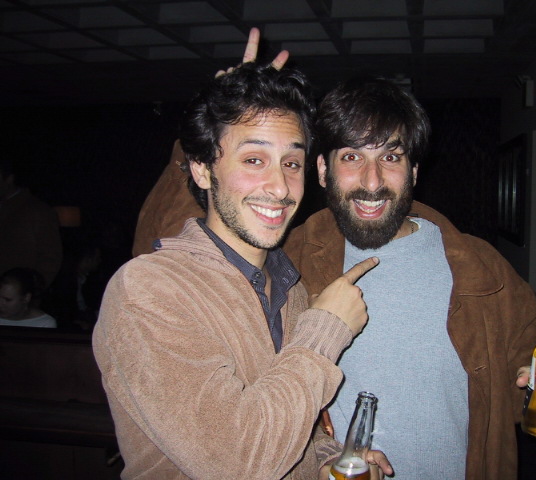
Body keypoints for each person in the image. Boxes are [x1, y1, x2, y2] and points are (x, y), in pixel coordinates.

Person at [282, 77, 536, 479]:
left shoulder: (482, 270)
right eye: (351, 157)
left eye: (391, 157)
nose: (372, 182)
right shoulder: (287, 262)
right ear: (322, 170)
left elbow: (535, 403)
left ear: (414, 171)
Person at [92, 57, 391, 479]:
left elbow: (293, 427)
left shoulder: (290, 287)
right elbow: (237, 461)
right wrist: (325, 331)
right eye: (253, 160)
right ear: (202, 169)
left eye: (291, 163)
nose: (280, 187)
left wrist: (327, 461)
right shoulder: (147, 289)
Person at [0, 158, 62, 288]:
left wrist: (30, 291)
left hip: (18, 295)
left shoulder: (38, 211)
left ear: (9, 179)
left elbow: (50, 259)